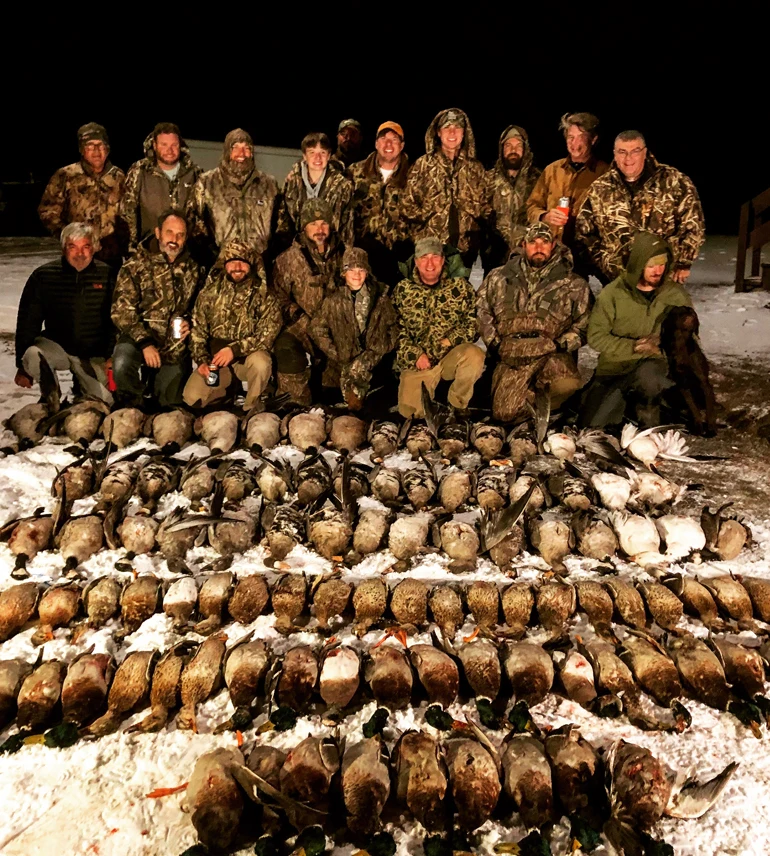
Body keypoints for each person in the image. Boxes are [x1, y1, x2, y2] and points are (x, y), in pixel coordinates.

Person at [477, 221, 592, 423]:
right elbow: (481, 310)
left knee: (569, 385)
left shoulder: (574, 284)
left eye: (544, 243)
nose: (538, 248)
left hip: (550, 353)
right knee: (505, 413)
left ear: (553, 246)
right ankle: (529, 401)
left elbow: (584, 324)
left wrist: (561, 344)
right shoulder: (498, 277)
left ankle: (544, 410)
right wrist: (494, 342)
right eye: (533, 242)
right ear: (524, 245)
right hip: (511, 354)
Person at [579, 231, 693, 429]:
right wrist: (634, 346)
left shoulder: (675, 294)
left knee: (649, 377)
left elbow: (690, 335)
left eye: (662, 264)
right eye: (651, 265)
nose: (657, 270)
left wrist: (665, 346)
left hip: (656, 367)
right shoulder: (613, 293)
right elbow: (596, 337)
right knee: (591, 425)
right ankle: (624, 408)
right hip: (615, 370)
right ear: (638, 264)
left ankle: (650, 423)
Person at [575, 130, 705, 283]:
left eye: (635, 151)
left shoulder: (674, 181)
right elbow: (584, 233)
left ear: (645, 153)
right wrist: (605, 263)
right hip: (618, 281)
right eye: (622, 152)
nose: (628, 158)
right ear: (615, 154)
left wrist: (684, 261)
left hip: (663, 276)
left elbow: (693, 224)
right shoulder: (600, 188)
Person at [111, 210, 205, 407]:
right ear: (157, 232)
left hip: (175, 343)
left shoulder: (194, 268)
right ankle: (135, 401)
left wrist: (189, 321)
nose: (174, 239)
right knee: (121, 365)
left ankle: (157, 395)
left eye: (180, 235)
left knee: (170, 402)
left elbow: (202, 306)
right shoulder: (135, 265)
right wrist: (145, 343)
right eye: (169, 232)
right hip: (139, 337)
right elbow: (121, 311)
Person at [15, 223, 114, 404]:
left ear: (94, 249)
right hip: (57, 347)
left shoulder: (108, 275)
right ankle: (51, 395)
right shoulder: (43, 276)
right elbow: (28, 322)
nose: (80, 254)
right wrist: (21, 367)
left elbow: (115, 320)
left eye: (86, 247)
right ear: (63, 248)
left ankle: (83, 390)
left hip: (92, 353)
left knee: (104, 402)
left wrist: (111, 355)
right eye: (72, 247)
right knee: (33, 355)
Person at [182, 241, 281, 410]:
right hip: (217, 364)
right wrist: (203, 362)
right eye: (232, 262)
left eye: (242, 262)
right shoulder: (209, 293)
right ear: (225, 265)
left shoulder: (265, 295)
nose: (237, 267)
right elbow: (198, 333)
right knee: (191, 399)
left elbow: (267, 335)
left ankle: (251, 408)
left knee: (261, 362)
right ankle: (224, 398)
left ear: (250, 265)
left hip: (246, 362)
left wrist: (234, 350)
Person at [392, 238, 485, 418]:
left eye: (435, 257)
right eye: (424, 257)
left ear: (443, 261)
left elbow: (473, 324)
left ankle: (457, 404)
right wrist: (414, 354)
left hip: (449, 357)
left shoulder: (461, 287)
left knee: (474, 355)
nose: (430, 263)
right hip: (420, 363)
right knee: (411, 413)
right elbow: (394, 330)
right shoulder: (402, 290)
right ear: (416, 262)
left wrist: (451, 340)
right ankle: (429, 398)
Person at [272, 199, 346, 404]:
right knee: (286, 347)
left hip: (336, 329)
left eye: (324, 223)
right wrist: (304, 322)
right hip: (301, 327)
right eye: (313, 224)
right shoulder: (287, 260)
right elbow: (278, 297)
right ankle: (293, 403)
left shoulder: (346, 256)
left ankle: (336, 398)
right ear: (304, 227)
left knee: (338, 395)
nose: (319, 229)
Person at [309, 247, 398, 410]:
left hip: (375, 364)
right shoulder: (332, 300)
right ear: (344, 273)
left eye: (361, 270)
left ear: (367, 272)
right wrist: (334, 351)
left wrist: (382, 347)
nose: (356, 275)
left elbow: (393, 326)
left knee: (375, 403)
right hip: (341, 363)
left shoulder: (380, 297)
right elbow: (316, 328)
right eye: (351, 270)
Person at [400, 108, 488, 269]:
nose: (452, 132)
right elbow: (406, 206)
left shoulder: (475, 168)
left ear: (464, 133)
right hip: (430, 254)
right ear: (439, 133)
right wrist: (429, 216)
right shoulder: (423, 165)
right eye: (447, 128)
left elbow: (486, 208)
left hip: (466, 253)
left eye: (457, 128)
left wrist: (476, 229)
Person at [526, 112, 608, 268]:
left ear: (593, 139)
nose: (574, 143)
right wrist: (545, 216)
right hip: (551, 253)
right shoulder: (552, 170)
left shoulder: (604, 174)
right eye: (570, 137)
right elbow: (532, 206)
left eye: (581, 137)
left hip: (588, 258)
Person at [38, 123, 126, 267]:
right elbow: (47, 211)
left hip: (110, 256)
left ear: (107, 149)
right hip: (77, 255)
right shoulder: (66, 175)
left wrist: (122, 243)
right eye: (90, 146)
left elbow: (128, 214)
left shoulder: (119, 177)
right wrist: (69, 236)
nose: (96, 151)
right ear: (82, 150)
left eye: (100, 145)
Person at [187, 128, 279, 265]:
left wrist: (267, 257)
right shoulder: (206, 183)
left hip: (260, 269)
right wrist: (214, 257)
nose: (241, 154)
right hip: (221, 267)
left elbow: (282, 227)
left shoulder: (269, 185)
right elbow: (194, 225)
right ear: (226, 151)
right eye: (235, 147)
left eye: (246, 148)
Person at [120, 122, 202, 252]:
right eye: (164, 144)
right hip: (149, 251)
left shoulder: (194, 173)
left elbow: (201, 215)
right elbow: (128, 213)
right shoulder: (140, 171)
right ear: (155, 145)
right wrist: (132, 248)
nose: (169, 150)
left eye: (174, 145)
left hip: (185, 253)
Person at [349, 121, 411, 283]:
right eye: (383, 138)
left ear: (402, 145)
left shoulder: (414, 176)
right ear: (376, 143)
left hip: (398, 259)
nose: (388, 144)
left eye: (395, 139)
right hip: (362, 258)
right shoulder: (355, 172)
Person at [275, 132, 354, 250]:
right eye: (312, 152)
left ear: (328, 156)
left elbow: (347, 228)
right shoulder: (292, 183)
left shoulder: (343, 186)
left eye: (322, 153)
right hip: (298, 252)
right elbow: (283, 222)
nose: (318, 158)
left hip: (331, 253)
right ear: (305, 156)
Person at [484, 125, 542, 269]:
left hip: (528, 257)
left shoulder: (538, 179)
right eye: (508, 145)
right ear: (501, 149)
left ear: (526, 149)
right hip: (494, 257)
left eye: (518, 145)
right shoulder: (487, 179)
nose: (513, 150)